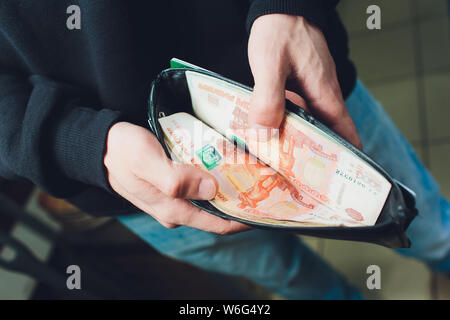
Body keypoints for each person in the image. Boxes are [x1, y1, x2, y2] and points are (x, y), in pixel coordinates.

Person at [0, 1, 448, 299]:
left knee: (417, 217)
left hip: (298, 100)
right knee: (298, 281)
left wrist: (289, 8)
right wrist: (78, 144)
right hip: (145, 182)